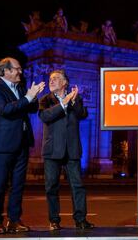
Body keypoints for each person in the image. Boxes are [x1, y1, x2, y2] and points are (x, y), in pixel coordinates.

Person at [0, 57, 45, 234]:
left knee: (18, 185)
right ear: (6, 71)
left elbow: (31, 108)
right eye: (17, 69)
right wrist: (28, 97)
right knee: (0, 184)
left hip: (22, 142)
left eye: (20, 69)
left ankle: (14, 220)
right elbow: (5, 110)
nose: (20, 72)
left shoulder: (20, 87)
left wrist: (33, 97)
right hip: (3, 145)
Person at [38, 70, 94, 231]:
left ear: (65, 83)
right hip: (52, 150)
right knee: (51, 187)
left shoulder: (75, 99)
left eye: (56, 78)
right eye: (50, 79)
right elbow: (45, 117)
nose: (52, 81)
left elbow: (82, 114)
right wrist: (63, 103)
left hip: (72, 150)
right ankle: (54, 220)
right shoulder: (45, 100)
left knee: (77, 186)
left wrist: (74, 101)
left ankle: (81, 219)